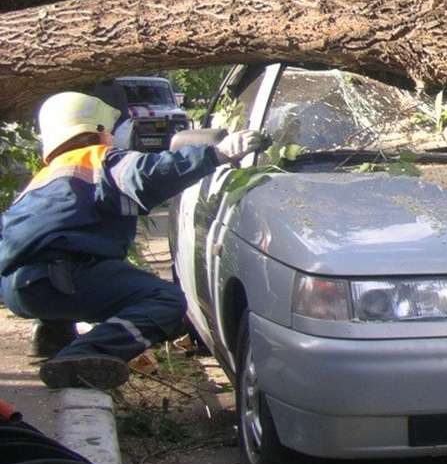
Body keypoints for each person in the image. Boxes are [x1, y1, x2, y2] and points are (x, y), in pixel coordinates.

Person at [0, 91, 263, 390]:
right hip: (60, 280)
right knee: (165, 299)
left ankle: (51, 336)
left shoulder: (45, 176)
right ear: (99, 129)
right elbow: (150, 174)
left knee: (71, 254)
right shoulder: (101, 160)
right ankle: (84, 354)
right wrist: (217, 154)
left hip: (16, 288)